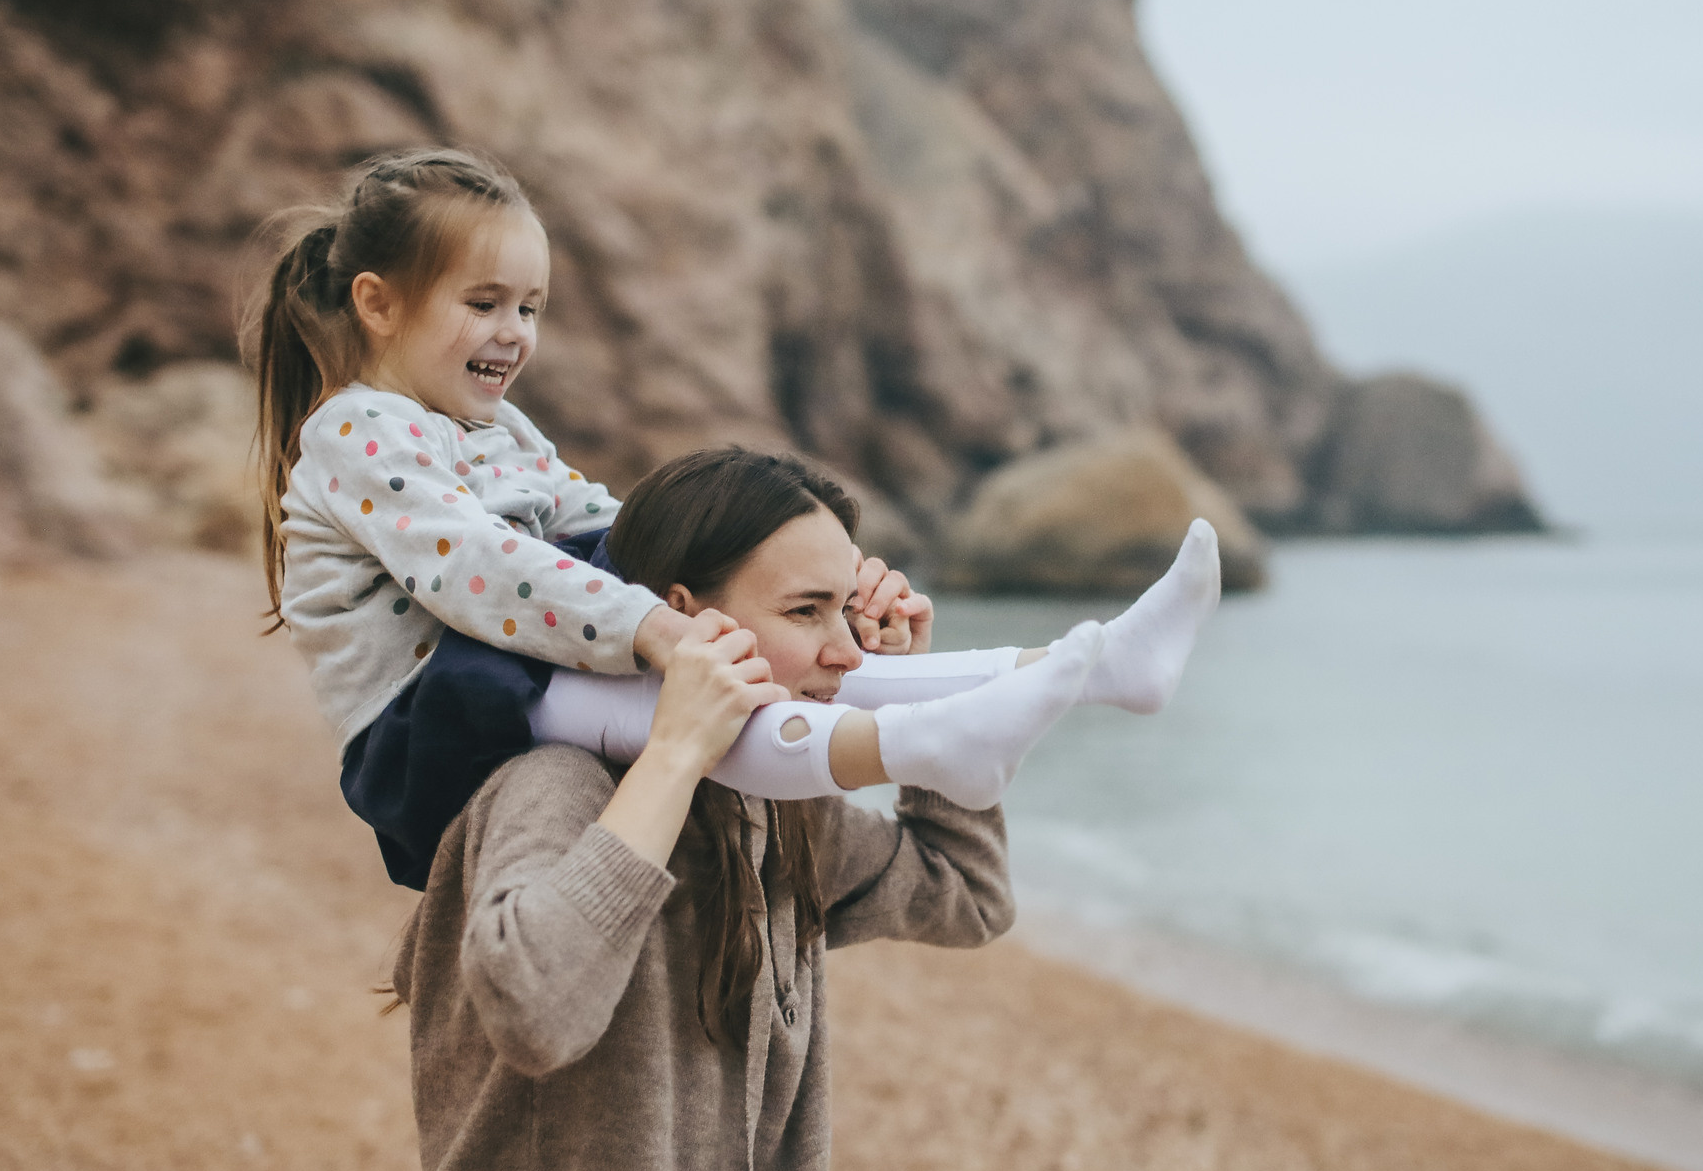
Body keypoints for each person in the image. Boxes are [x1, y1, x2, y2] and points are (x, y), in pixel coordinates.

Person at [248, 147, 1221, 885]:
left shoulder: (495, 427)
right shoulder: (356, 432)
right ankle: (919, 749)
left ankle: (1089, 666)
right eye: (485, 302)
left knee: (749, 631)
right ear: (377, 304)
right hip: (428, 730)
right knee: (702, 694)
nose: (514, 334)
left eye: (532, 309)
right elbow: (477, 570)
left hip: (500, 665)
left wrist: (762, 576)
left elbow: (610, 523)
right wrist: (664, 629)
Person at [374, 445, 1057, 1171]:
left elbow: (963, 896)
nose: (844, 653)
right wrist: (679, 748)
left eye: (845, 610)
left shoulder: (776, 818)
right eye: (805, 612)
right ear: (688, 616)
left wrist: (921, 715)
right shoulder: (552, 786)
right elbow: (534, 1013)